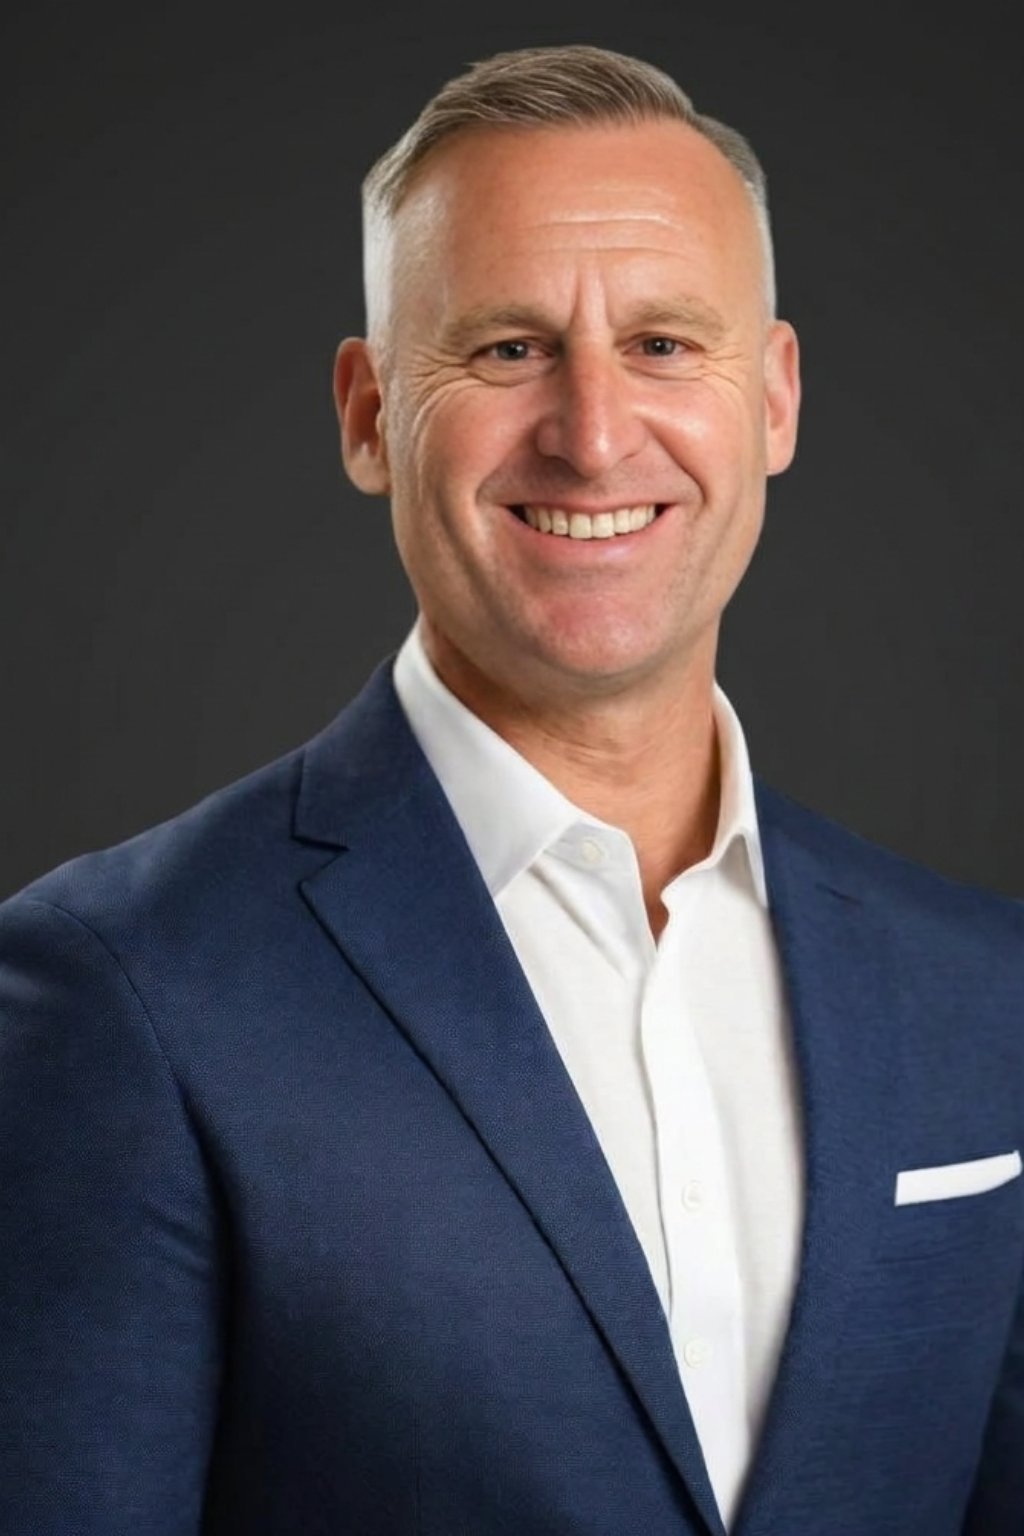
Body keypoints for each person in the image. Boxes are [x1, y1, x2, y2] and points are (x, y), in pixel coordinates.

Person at [1, 43, 1021, 1536]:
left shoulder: (987, 993)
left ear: (778, 399)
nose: (594, 431)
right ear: (365, 415)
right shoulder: (117, 995)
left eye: (667, 343)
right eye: (505, 350)